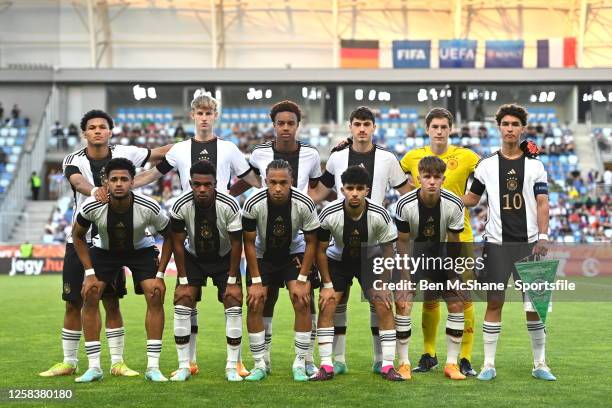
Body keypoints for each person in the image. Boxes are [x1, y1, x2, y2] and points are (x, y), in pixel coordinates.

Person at [132, 90, 259, 377]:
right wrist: (127, 185)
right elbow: (152, 175)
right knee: (186, 297)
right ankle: (188, 361)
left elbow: (251, 179)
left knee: (232, 298)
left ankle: (236, 362)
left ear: (215, 116)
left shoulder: (228, 148)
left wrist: (240, 194)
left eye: (208, 113)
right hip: (189, 231)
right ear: (193, 116)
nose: (204, 118)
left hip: (224, 232)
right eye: (199, 113)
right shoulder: (178, 150)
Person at [39, 109, 171, 378]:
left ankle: (117, 362)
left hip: (116, 241)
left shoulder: (125, 153)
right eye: (92, 127)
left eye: (102, 127)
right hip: (84, 241)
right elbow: (77, 181)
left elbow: (159, 153)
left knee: (111, 301)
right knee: (74, 301)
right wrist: (97, 193)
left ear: (110, 132)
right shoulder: (72, 159)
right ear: (84, 133)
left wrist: (190, 146)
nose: (97, 130)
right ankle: (70, 361)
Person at [309, 106, 410, 375]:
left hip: (374, 244)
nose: (362, 129)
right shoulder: (337, 157)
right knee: (333, 303)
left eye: (367, 124)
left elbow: (406, 191)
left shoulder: (388, 158)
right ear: (350, 126)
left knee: (381, 302)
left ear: (374, 127)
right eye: (357, 124)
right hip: (340, 248)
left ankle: (383, 361)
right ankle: (334, 361)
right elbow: (320, 191)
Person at [462, 103, 555, 381]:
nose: (510, 129)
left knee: (534, 308)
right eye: (506, 124)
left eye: (515, 124)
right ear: (499, 127)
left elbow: (542, 203)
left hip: (529, 245)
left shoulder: (535, 165)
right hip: (496, 246)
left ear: (522, 128)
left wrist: (543, 236)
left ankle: (540, 364)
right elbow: (471, 199)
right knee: (494, 302)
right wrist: (444, 194)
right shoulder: (486, 165)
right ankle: (488, 364)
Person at [237, 100, 322, 376]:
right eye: (272, 182)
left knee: (303, 298)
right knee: (258, 300)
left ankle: (302, 361)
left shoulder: (305, 198)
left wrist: (301, 279)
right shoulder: (252, 203)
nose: (276, 187)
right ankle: (261, 363)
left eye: (283, 182)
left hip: (294, 251)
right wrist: (256, 279)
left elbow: (312, 241)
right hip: (262, 253)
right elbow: (248, 242)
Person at [72, 158, 172, 383]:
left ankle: (153, 367)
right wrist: (89, 274)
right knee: (90, 295)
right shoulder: (91, 205)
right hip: (105, 251)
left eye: (124, 179)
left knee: (155, 295)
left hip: (141, 251)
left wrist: (160, 275)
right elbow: (77, 236)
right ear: (105, 182)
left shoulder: (149, 206)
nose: (119, 184)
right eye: (114, 179)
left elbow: (172, 236)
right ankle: (94, 367)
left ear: (132, 182)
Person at [399, 108, 480, 376]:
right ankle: (429, 353)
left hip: (459, 236)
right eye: (435, 126)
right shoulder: (412, 157)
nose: (440, 131)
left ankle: (464, 358)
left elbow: (491, 173)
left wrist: (463, 203)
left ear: (451, 129)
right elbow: (388, 172)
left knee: (462, 298)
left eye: (444, 126)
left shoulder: (467, 156)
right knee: (430, 299)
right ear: (427, 129)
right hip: (424, 241)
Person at [311, 165, 403, 381]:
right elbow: (321, 250)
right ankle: (326, 365)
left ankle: (388, 365)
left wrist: (382, 283)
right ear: (342, 190)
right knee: (327, 304)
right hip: (337, 261)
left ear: (367, 190)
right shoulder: (329, 213)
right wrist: (326, 285)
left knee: (383, 303)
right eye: (350, 188)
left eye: (359, 188)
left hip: (370, 260)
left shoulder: (379, 214)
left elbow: (389, 250)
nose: (354, 193)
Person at [168, 160, 245, 382]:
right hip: (193, 258)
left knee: (233, 298)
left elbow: (236, 242)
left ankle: (232, 366)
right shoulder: (179, 205)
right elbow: (177, 243)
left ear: (216, 184)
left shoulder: (229, 205)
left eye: (207, 185)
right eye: (197, 184)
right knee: (183, 297)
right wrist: (182, 278)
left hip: (224, 258)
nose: (202, 189)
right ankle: (185, 366)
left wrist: (232, 278)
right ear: (191, 183)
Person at [395, 156, 467, 380]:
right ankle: (404, 363)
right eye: (427, 177)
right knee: (404, 302)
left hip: (441, 255)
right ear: (418, 178)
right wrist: (406, 278)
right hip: (413, 255)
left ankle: (452, 364)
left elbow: (454, 241)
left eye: (437, 177)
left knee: (457, 301)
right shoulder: (404, 204)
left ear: (444, 179)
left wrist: (454, 274)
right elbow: (403, 242)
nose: (432, 182)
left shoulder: (455, 203)